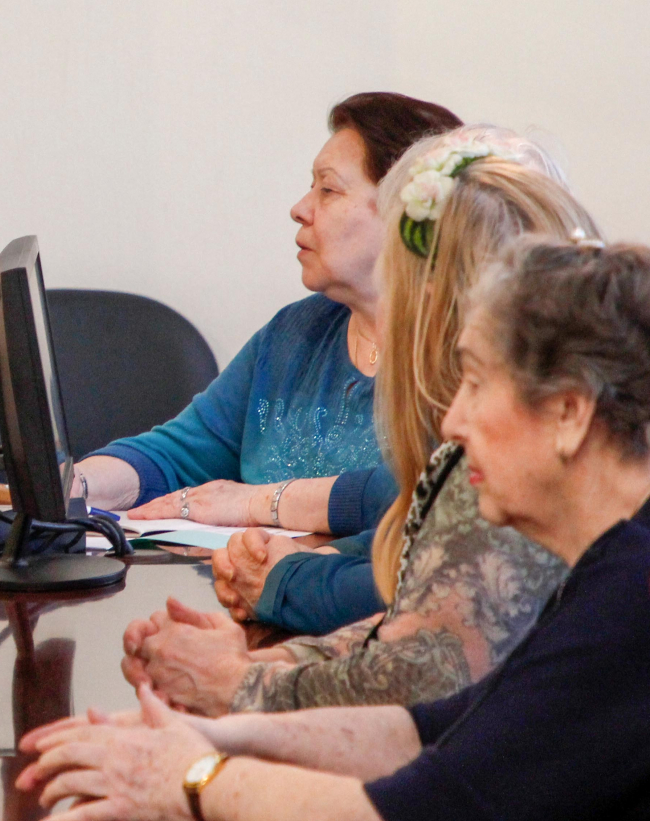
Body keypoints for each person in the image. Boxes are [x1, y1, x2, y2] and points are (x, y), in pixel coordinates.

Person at [15, 236, 650, 821]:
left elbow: (421, 807)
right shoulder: (613, 564)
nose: (453, 422)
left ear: (570, 413)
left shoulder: (634, 591)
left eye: (477, 385)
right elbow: (435, 729)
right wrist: (214, 735)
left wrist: (189, 777)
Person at [121, 130, 593, 716]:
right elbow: (407, 611)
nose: (456, 420)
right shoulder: (300, 332)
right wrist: (257, 664)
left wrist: (245, 669)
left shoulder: (528, 462)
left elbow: (416, 645)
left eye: (329, 189)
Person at [78, 92, 460, 522]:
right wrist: (78, 485)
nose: (299, 209)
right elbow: (182, 452)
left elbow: (428, 502)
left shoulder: (470, 358)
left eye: (328, 189)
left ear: (408, 214)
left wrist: (259, 504)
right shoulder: (297, 333)